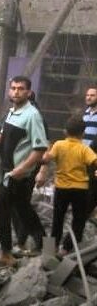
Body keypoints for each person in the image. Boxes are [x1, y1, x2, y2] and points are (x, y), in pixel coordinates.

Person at [0, 76, 48, 266]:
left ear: (28, 92)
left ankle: (6, 253)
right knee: (23, 208)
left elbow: (40, 147)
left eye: (21, 88)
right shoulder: (12, 112)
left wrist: (22, 169)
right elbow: (3, 138)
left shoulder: (32, 115)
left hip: (17, 174)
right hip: (8, 170)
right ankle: (45, 244)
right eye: (13, 88)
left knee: (1, 209)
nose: (16, 91)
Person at [36, 115, 97, 255]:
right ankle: (66, 249)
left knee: (57, 219)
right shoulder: (84, 149)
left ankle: (50, 251)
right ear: (83, 133)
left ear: (65, 131)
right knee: (78, 221)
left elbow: (46, 159)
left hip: (61, 188)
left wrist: (43, 154)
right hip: (80, 190)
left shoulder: (58, 145)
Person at [83, 86, 97, 215]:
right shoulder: (85, 113)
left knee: (92, 189)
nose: (89, 97)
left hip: (94, 158)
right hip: (82, 157)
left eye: (92, 95)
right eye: (87, 95)